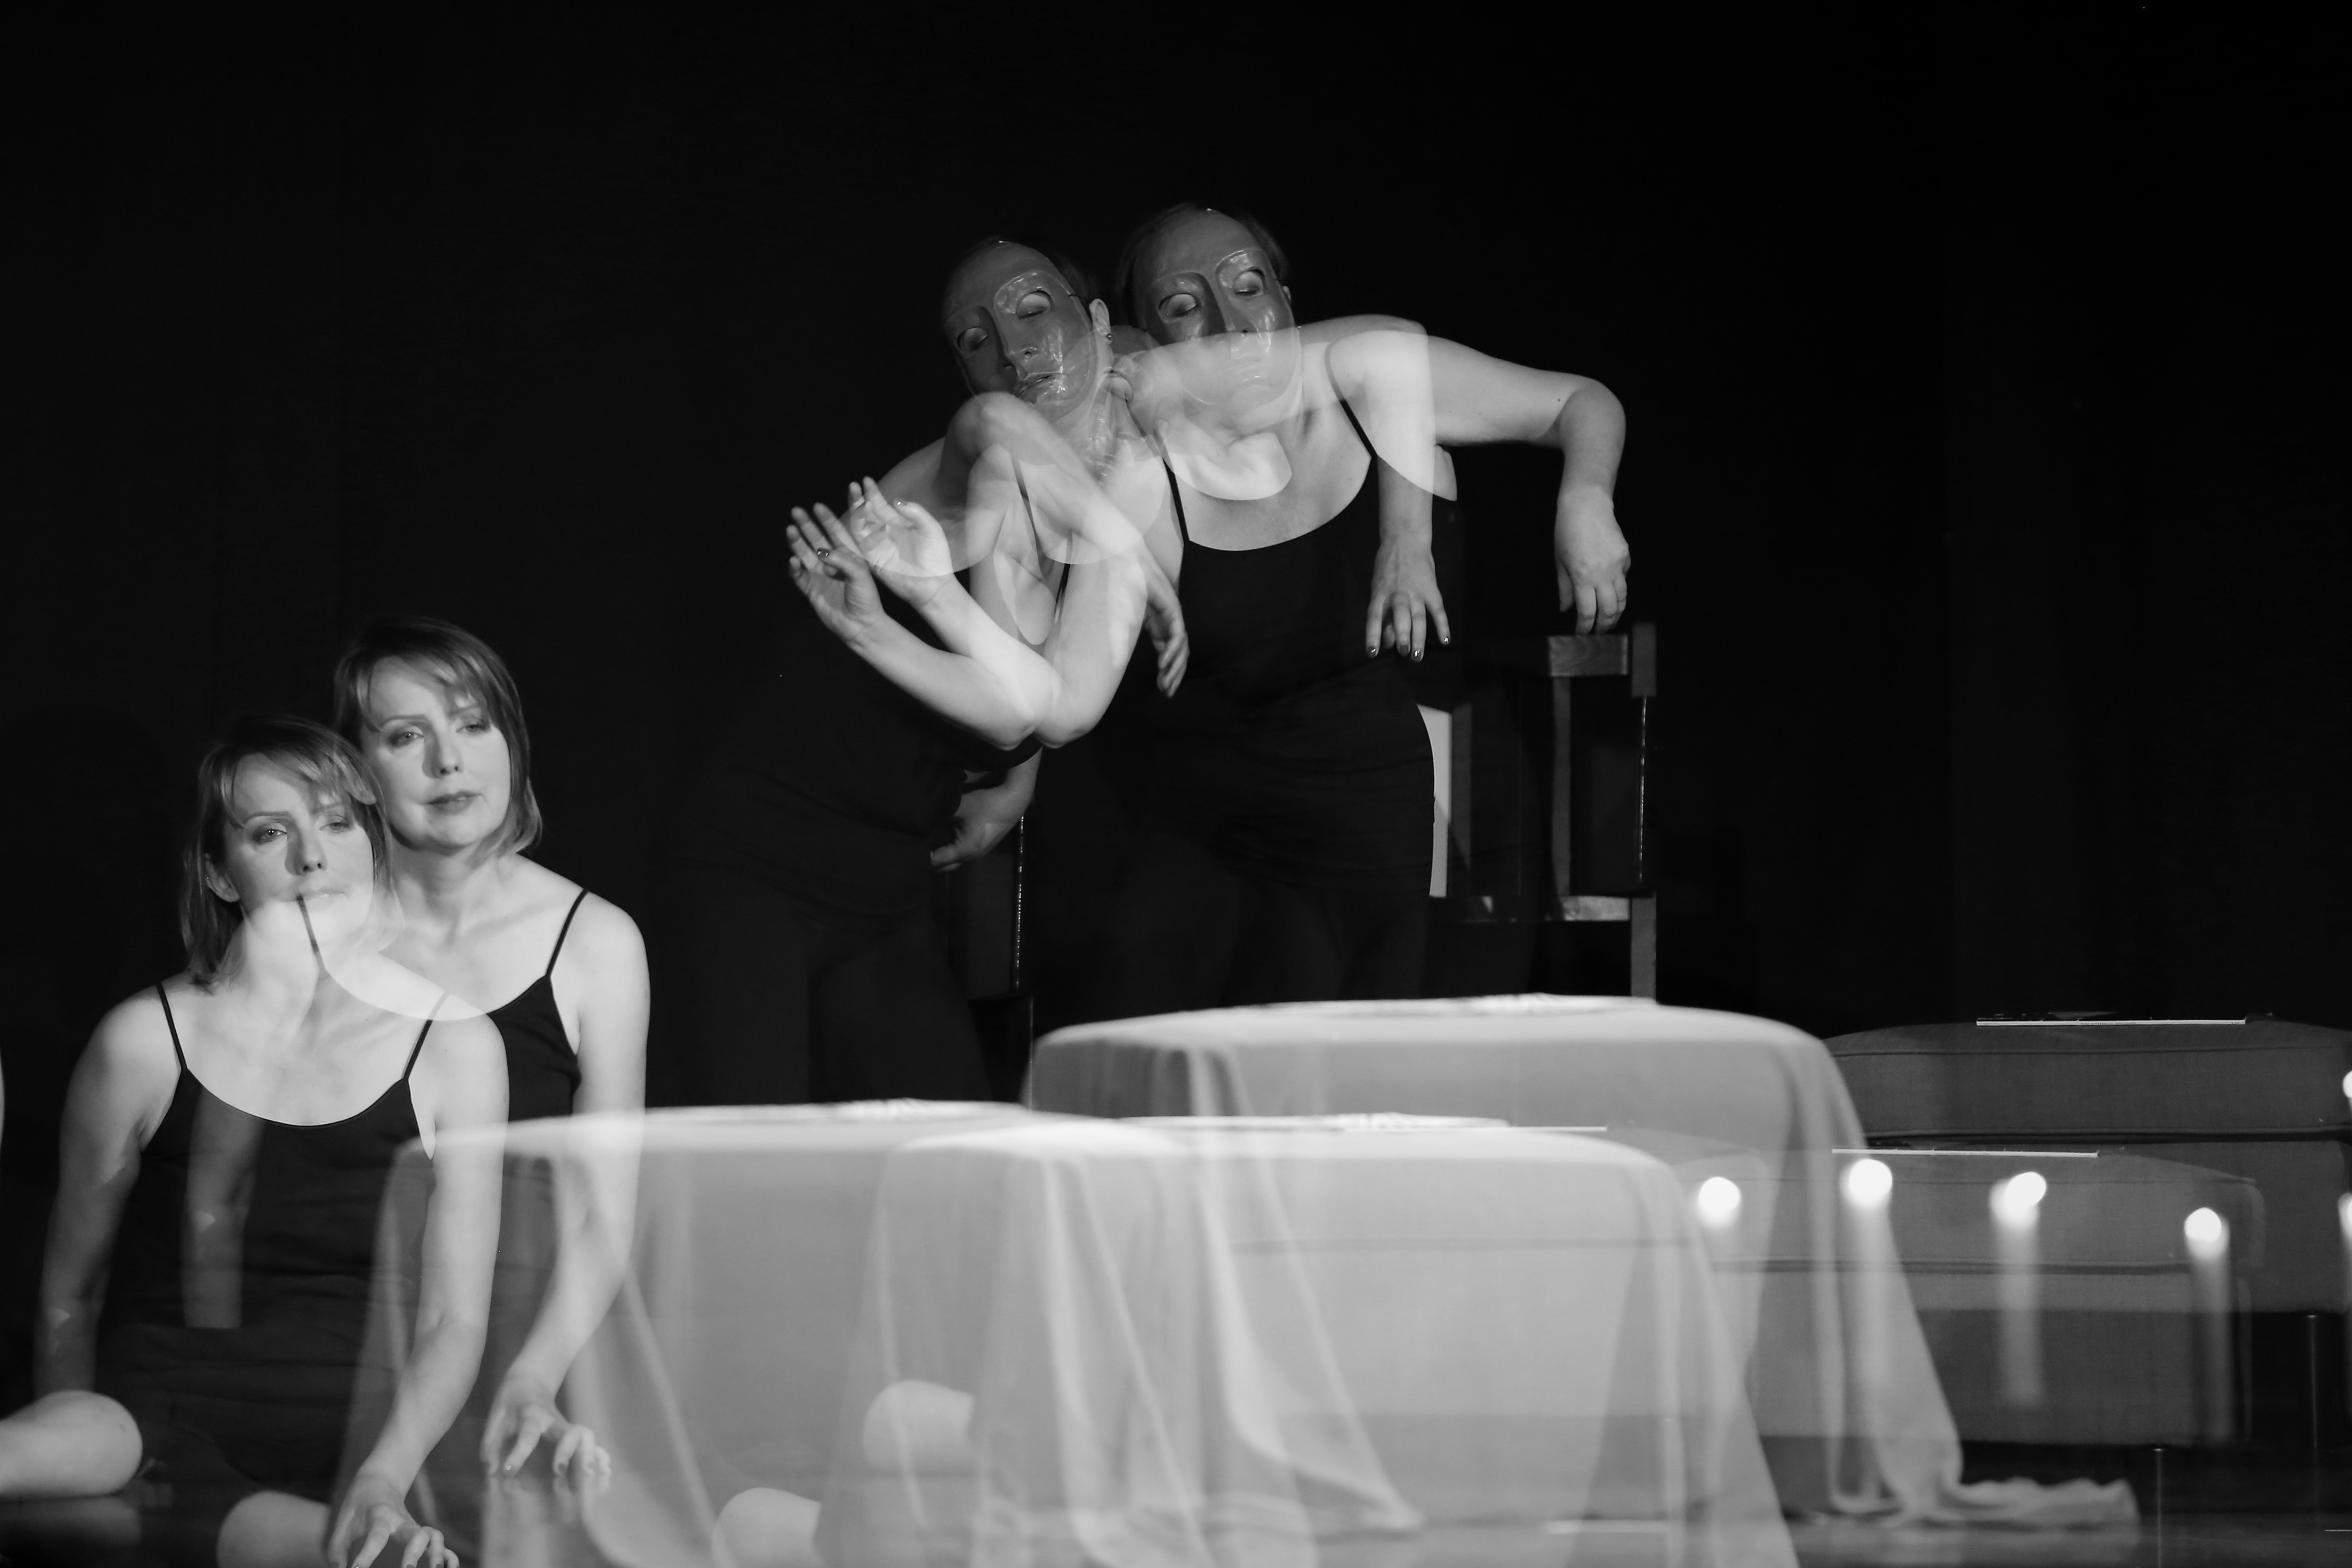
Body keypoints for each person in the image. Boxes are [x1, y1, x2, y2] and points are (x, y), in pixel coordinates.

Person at [1076, 202, 1629, 1012]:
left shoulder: (1379, 391)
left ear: (1287, 300)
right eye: (1184, 306)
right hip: (1283, 834)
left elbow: (1579, 401)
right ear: (1149, 341)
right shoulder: (1154, 475)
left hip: (1451, 797)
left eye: (1249, 287)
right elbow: (1080, 659)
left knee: (1433, 1061)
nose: (1230, 324)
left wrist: (1585, 497)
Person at [0, 717, 506, 1568]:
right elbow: (68, 1298)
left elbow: (455, 1319)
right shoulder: (143, 1041)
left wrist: (381, 1480)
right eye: (270, 833)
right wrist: (81, 1524)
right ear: (218, 871)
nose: (313, 858)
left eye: (338, 823)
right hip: (154, 1419)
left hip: (359, 1440)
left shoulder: (457, 1045)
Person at [333, 616, 643, 1548]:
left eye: (473, 725)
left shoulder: (595, 942)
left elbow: (607, 1212)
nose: (448, 761)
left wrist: (534, 1378)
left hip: (538, 1346)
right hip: (341, 1341)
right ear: (357, 771)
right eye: (405, 736)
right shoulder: (322, 935)